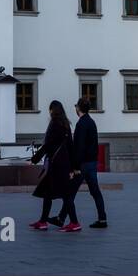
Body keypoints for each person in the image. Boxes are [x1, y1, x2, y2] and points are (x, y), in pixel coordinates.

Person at [52, 97, 108, 229]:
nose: (75, 109)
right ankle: (102, 219)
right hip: (92, 163)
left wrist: (75, 167)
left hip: (82, 164)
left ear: (78, 108)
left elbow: (79, 147)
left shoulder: (81, 124)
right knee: (95, 191)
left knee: (69, 193)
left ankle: (67, 220)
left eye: (76, 106)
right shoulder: (91, 122)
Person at [29, 100, 81, 232]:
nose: (49, 112)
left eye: (50, 110)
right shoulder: (65, 124)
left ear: (53, 110)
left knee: (65, 195)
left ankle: (74, 222)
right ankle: (43, 221)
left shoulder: (54, 124)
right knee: (48, 192)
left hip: (56, 165)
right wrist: (73, 167)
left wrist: (35, 159)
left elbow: (48, 145)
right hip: (63, 164)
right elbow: (70, 146)